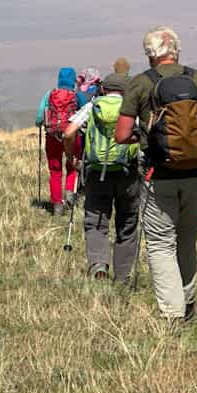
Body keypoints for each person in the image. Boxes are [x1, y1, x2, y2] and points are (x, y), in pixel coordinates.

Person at [114, 26, 197, 325]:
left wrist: (149, 139)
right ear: (176, 50)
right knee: (186, 238)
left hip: (159, 174)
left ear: (150, 54)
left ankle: (172, 314)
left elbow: (122, 134)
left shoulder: (140, 84)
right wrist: (195, 139)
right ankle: (189, 302)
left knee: (159, 242)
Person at [62, 72, 141, 282]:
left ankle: (98, 265)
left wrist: (72, 159)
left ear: (104, 89)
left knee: (96, 220)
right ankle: (123, 275)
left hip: (96, 172)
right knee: (127, 222)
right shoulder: (132, 110)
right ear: (127, 91)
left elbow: (69, 133)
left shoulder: (92, 106)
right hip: (128, 173)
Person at [35, 67, 88, 215]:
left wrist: (41, 124)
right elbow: (86, 113)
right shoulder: (77, 96)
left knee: (55, 171)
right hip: (72, 136)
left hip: (52, 137)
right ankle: (70, 196)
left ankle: (57, 204)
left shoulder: (49, 95)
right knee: (72, 166)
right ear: (72, 80)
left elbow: (39, 118)